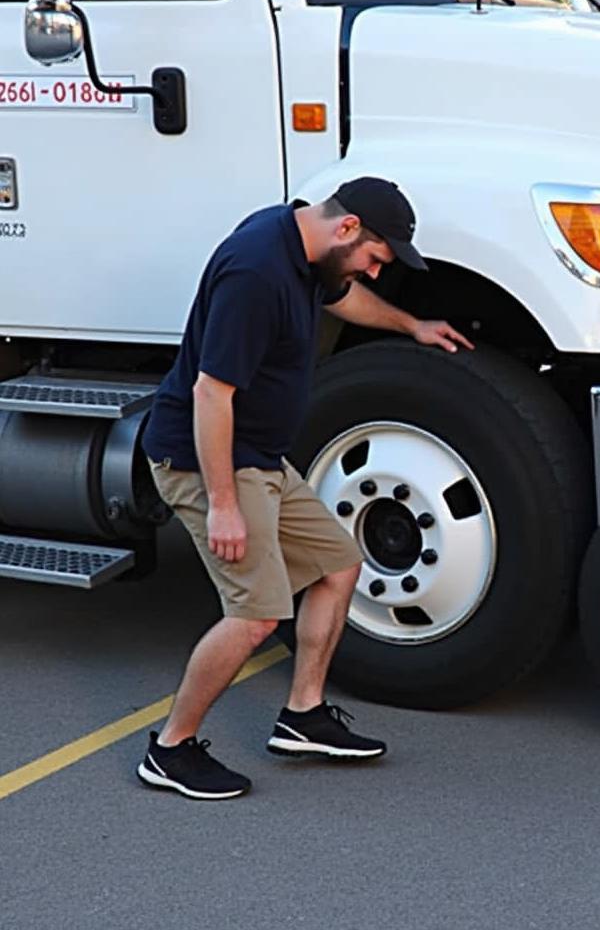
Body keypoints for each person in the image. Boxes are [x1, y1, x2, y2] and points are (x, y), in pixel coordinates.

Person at [137, 177, 473, 800]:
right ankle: (170, 749)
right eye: (377, 258)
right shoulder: (256, 273)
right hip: (206, 460)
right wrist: (225, 507)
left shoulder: (302, 243)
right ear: (347, 229)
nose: (374, 272)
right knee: (256, 614)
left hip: (260, 458)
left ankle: (302, 717)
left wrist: (412, 326)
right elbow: (212, 393)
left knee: (339, 566)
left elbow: (341, 299)